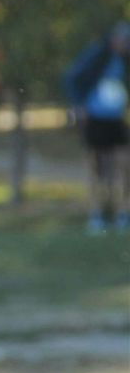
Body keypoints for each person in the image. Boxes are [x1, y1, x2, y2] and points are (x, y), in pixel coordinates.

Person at [64, 21, 130, 234]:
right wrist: (78, 105)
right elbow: (72, 77)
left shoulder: (125, 59)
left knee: (122, 165)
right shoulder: (98, 55)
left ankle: (122, 213)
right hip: (95, 119)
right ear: (115, 39)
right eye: (124, 41)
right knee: (94, 167)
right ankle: (97, 214)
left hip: (117, 119)